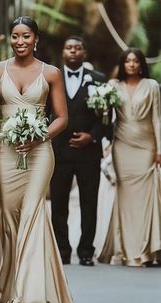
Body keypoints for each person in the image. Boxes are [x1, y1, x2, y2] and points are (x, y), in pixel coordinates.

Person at [0, 16, 81, 303]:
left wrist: (40, 135)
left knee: (32, 214)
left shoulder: (51, 73)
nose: (19, 42)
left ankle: (30, 300)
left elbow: (62, 119)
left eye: (26, 36)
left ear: (36, 39)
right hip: (7, 153)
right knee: (8, 219)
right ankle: (8, 291)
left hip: (40, 154)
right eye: (15, 36)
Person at [97, 48, 161, 267]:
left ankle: (146, 250)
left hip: (146, 146)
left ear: (141, 64)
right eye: (128, 61)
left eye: (135, 61)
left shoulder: (152, 86)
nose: (131, 65)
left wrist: (159, 149)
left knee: (146, 200)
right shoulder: (113, 87)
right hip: (122, 146)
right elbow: (104, 116)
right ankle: (125, 249)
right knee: (125, 198)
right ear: (123, 65)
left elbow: (157, 120)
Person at [50, 35, 106, 266]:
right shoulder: (52, 78)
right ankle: (62, 250)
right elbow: (45, 112)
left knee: (89, 203)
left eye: (77, 48)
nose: (73, 51)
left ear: (84, 52)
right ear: (63, 52)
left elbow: (107, 116)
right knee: (59, 204)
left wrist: (91, 136)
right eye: (69, 47)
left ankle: (86, 251)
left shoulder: (99, 80)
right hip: (59, 151)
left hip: (88, 153)